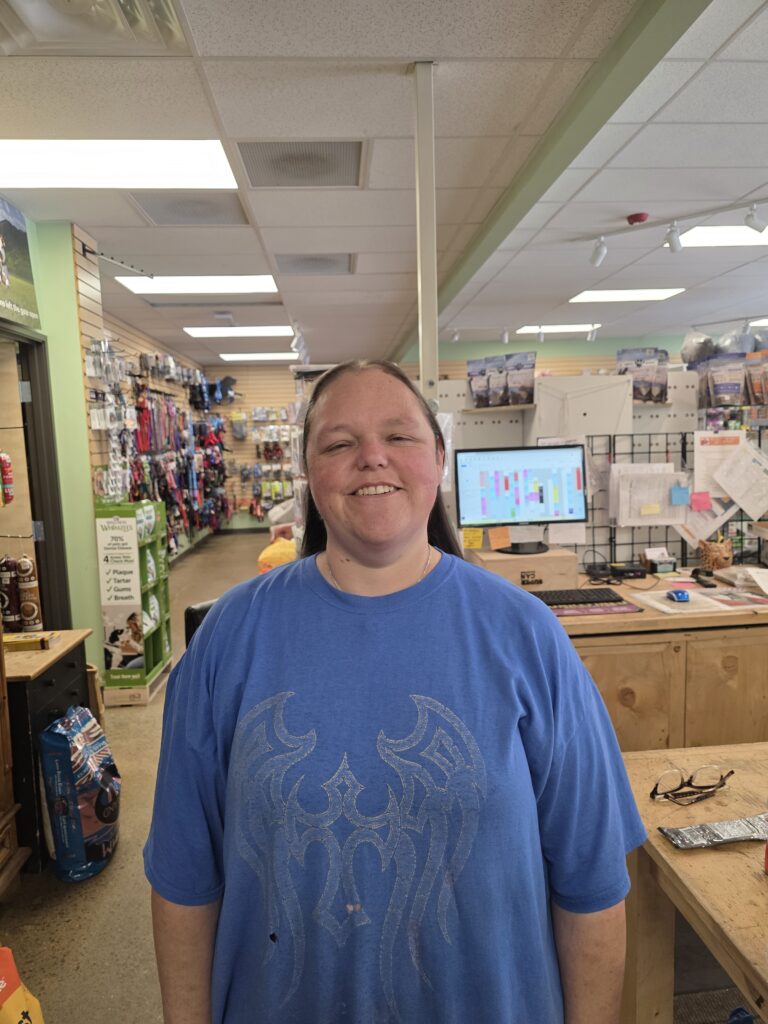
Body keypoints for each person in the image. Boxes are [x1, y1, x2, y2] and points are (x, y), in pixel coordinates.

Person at [144, 359, 646, 1024]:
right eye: (340, 443)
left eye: (399, 437)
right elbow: (184, 880)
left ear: (438, 458)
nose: (371, 458)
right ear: (310, 475)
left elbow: (592, 883)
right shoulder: (230, 637)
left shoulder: (527, 636)